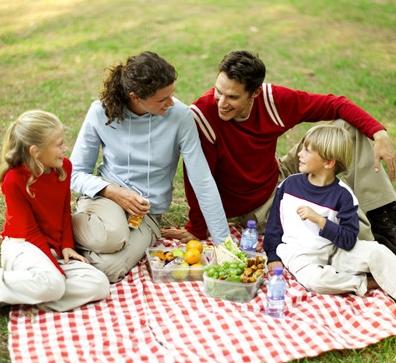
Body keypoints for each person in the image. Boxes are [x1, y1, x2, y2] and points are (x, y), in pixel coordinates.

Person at [162, 50, 396, 255]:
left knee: (350, 126)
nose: (221, 102)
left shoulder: (272, 101)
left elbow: (335, 104)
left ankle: (383, 216)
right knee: (322, 215)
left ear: (255, 93)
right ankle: (367, 243)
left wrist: (379, 133)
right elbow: (198, 179)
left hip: (278, 172)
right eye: (218, 91)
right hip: (257, 206)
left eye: (232, 97)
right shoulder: (203, 116)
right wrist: (197, 228)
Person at [70, 51, 229, 283]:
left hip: (147, 215)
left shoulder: (180, 117)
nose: (171, 102)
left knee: (109, 269)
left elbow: (202, 179)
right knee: (112, 236)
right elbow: (74, 173)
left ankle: (75, 250)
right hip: (106, 199)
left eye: (172, 94)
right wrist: (111, 191)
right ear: (136, 97)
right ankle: (61, 230)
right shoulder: (100, 112)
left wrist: (224, 244)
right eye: (162, 99)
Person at [263, 125, 396, 299]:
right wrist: (273, 256)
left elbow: (349, 240)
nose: (299, 154)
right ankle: (365, 282)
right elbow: (274, 227)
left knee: (378, 251)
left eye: (307, 151)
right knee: (316, 281)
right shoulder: (289, 186)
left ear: (328, 162)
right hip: (299, 256)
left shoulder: (344, 195)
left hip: (336, 252)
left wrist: (321, 221)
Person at [0, 110, 110, 312]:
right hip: (23, 246)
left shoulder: (64, 168)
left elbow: (64, 212)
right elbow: (29, 231)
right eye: (59, 145)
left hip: (53, 248)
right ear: (35, 152)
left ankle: (22, 297)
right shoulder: (14, 180)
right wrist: (55, 269)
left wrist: (67, 244)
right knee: (54, 282)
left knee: (99, 284)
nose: (65, 149)